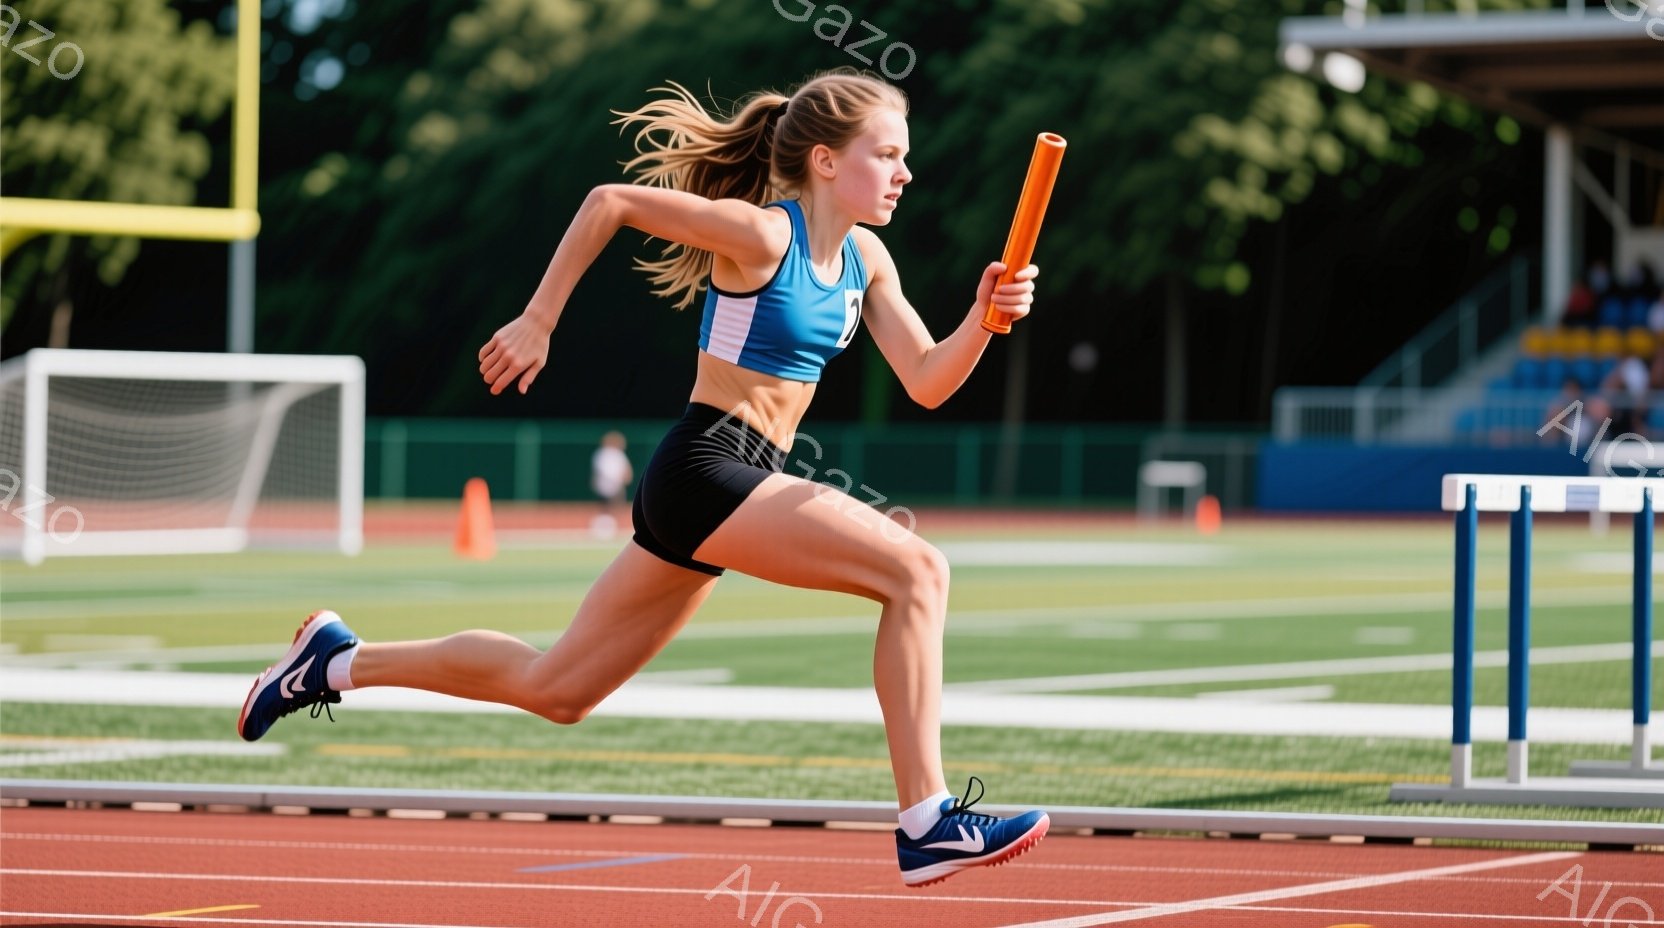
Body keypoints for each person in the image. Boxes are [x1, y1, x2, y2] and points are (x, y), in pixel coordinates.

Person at [236, 69, 1049, 888]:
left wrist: (985, 316)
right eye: (888, 154)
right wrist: (539, 318)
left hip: (731, 486)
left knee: (556, 689)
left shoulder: (869, 259)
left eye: (905, 157)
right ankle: (927, 822)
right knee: (918, 569)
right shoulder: (763, 234)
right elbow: (607, 202)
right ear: (829, 162)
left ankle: (334, 662)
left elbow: (928, 381)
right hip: (707, 466)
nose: (906, 172)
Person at [589, 430, 633, 538]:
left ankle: (614, 528)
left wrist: (626, 476)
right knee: (605, 508)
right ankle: (604, 528)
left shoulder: (619, 454)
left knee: (616, 507)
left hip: (616, 486)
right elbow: (603, 470)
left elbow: (626, 469)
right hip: (605, 486)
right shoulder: (602, 453)